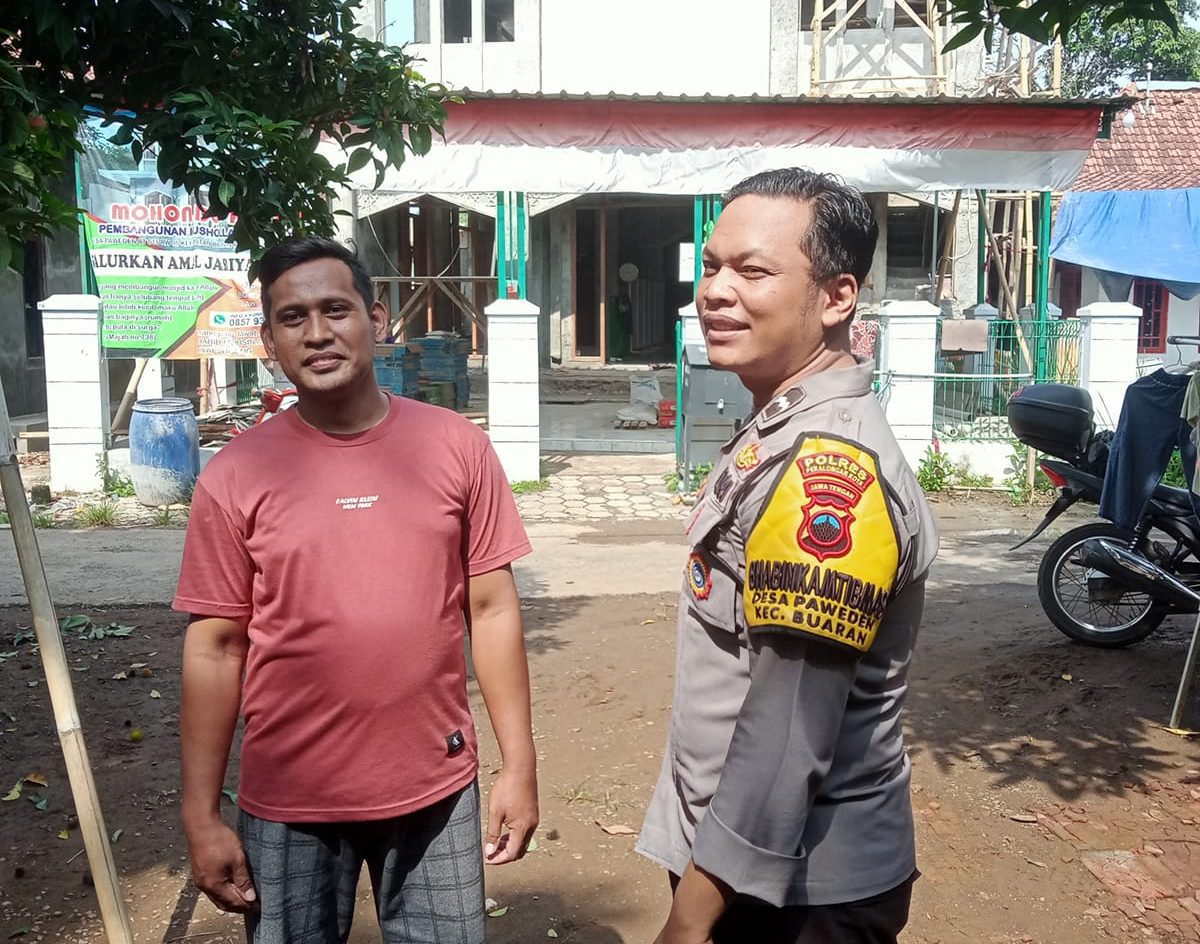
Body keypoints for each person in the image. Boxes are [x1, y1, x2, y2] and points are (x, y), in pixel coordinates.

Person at [174, 236, 538, 944]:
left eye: (335, 310)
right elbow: (215, 648)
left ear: (375, 318)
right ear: (270, 341)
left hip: (434, 786)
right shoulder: (235, 475)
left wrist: (519, 767)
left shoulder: (456, 447)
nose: (317, 333)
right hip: (289, 796)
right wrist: (200, 814)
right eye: (293, 317)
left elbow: (491, 609)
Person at [637, 168, 938, 944]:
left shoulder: (827, 471)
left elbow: (785, 730)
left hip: (793, 895)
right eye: (712, 266)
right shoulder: (778, 425)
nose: (715, 291)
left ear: (837, 297)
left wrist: (687, 924)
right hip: (740, 869)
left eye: (753, 271)